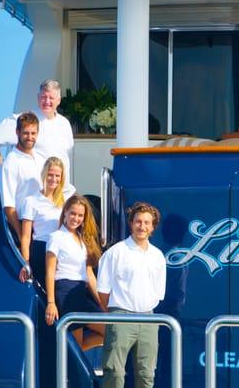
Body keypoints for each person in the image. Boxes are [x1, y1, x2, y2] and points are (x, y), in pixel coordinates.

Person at [97, 202, 167, 388]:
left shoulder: (158, 256)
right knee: (114, 372)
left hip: (149, 318)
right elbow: (102, 290)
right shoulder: (116, 252)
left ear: (153, 227)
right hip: (121, 316)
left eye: (146, 223)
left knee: (147, 374)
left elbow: (158, 292)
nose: (142, 226)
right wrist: (115, 314)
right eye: (138, 222)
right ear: (131, 223)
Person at [0, 79, 74, 183]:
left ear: (59, 100)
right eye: (44, 97)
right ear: (38, 98)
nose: (47, 101)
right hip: (34, 191)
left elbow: (66, 158)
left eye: (51, 98)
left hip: (62, 192)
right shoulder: (25, 120)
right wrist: (4, 169)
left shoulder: (64, 123)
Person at [44, 195, 104, 351]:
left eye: (80, 215)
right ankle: (69, 369)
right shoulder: (56, 237)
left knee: (110, 331)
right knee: (75, 343)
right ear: (65, 213)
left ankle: (71, 360)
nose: (75, 218)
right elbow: (50, 272)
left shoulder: (83, 239)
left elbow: (89, 273)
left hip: (81, 291)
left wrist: (102, 303)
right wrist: (51, 303)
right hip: (65, 290)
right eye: (72, 213)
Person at [19, 157, 74, 286]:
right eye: (50, 175)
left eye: (57, 176)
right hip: (41, 249)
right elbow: (26, 237)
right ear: (44, 174)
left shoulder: (66, 201)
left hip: (62, 250)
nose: (53, 179)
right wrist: (25, 263)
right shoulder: (31, 201)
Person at [0, 112, 45, 239]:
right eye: (26, 133)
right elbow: (8, 206)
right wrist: (22, 236)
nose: (30, 137)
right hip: (22, 225)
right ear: (17, 132)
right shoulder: (10, 163)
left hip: (42, 225)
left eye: (33, 133)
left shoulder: (41, 159)